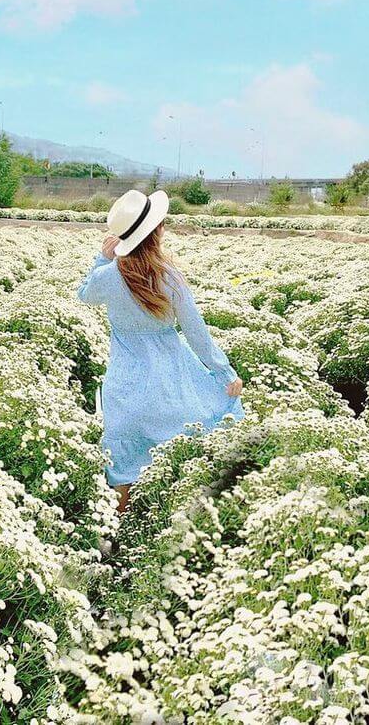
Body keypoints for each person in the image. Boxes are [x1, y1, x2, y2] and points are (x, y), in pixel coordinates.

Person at [77, 189, 245, 513]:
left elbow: (84, 294)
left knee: (123, 468)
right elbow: (198, 335)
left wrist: (103, 258)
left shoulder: (108, 276)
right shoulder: (170, 277)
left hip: (125, 388)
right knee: (187, 447)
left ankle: (118, 542)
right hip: (171, 384)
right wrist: (225, 373)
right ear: (156, 232)